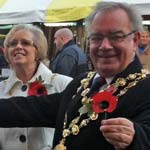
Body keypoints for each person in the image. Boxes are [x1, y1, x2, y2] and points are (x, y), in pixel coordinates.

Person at [0, 2, 149, 150]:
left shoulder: (146, 88)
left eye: (116, 37)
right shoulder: (82, 82)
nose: (105, 46)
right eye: (96, 38)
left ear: (135, 40)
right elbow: (34, 108)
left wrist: (135, 137)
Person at [0, 24, 72, 150]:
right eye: (12, 44)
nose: (18, 46)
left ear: (38, 49)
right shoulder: (1, 88)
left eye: (25, 43)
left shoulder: (64, 85)